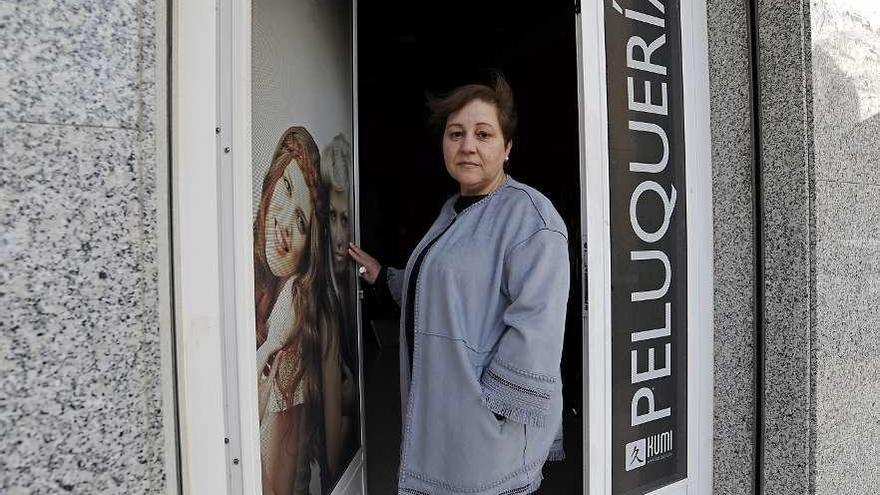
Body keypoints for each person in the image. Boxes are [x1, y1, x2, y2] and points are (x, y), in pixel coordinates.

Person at [348, 75, 569, 495]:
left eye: (483, 134)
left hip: (484, 437)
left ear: (507, 148)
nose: (467, 145)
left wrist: (489, 411)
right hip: (445, 421)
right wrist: (385, 277)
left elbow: (537, 329)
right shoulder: (455, 210)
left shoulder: (530, 219)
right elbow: (445, 295)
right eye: (456, 134)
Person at [253, 126, 344, 495]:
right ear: (271, 182)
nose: (286, 226)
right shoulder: (237, 267)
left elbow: (275, 486)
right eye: (286, 188)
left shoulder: (300, 311)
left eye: (303, 222)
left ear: (310, 247)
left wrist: (274, 342)